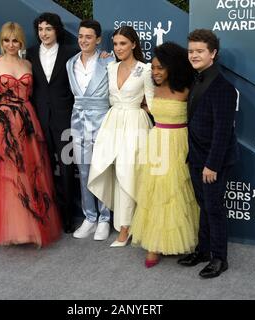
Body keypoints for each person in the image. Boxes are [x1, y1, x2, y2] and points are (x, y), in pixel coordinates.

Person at [0, 22, 62, 246]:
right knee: (6, 176)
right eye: (7, 40)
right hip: (2, 124)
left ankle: (28, 227)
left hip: (27, 122)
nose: (11, 44)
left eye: (15, 40)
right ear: (1, 42)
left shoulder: (28, 63)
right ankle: (8, 228)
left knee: (29, 173)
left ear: (21, 42)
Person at [129, 42, 199, 268]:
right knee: (155, 192)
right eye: (153, 67)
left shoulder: (189, 89)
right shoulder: (151, 87)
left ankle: (180, 240)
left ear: (173, 66)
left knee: (176, 192)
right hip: (156, 142)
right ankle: (154, 245)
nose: (155, 72)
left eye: (160, 67)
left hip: (178, 144)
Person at [177, 29, 239, 278]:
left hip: (214, 161)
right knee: (204, 206)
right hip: (197, 157)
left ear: (213, 53)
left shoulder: (223, 88)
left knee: (214, 209)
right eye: (191, 51)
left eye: (200, 51)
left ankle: (219, 258)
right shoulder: (198, 79)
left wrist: (211, 165)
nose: (194, 55)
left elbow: (223, 132)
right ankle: (203, 251)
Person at [88, 26, 154, 247]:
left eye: (123, 43)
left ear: (134, 44)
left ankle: (126, 229)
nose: (118, 48)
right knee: (115, 172)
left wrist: (145, 110)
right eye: (115, 44)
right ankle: (125, 223)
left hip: (135, 124)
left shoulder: (145, 69)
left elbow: (152, 102)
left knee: (129, 173)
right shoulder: (110, 66)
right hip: (112, 123)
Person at [26, 13, 79, 233]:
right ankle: (45, 215)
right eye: (40, 29)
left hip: (64, 119)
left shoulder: (71, 53)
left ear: (56, 30)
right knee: (41, 167)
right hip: (38, 119)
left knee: (67, 169)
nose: (44, 33)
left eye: (48, 29)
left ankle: (67, 217)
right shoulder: (28, 53)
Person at [66, 20, 114, 241]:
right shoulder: (70, 63)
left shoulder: (110, 61)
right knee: (83, 170)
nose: (83, 40)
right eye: (80, 36)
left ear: (98, 39)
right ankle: (90, 217)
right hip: (78, 120)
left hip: (103, 120)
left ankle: (104, 219)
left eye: (88, 37)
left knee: (103, 169)